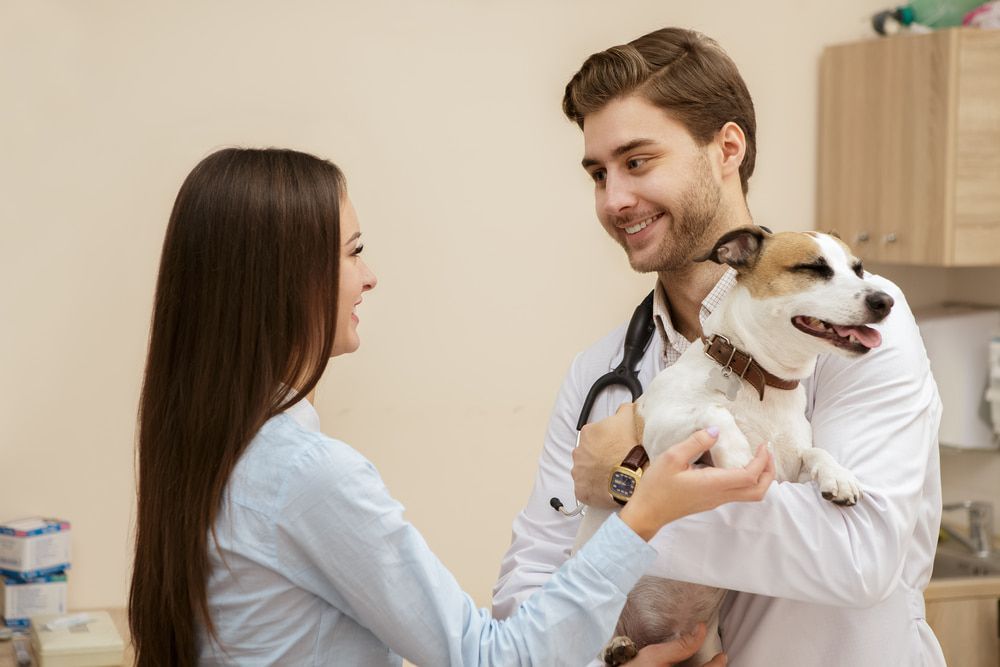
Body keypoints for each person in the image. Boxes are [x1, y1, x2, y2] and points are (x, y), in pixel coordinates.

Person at [127, 147, 774, 667]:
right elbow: (487, 657)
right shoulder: (306, 474)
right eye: (353, 253)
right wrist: (643, 514)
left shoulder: (213, 449)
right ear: (283, 278)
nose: (370, 275)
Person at [491, 27, 946, 666]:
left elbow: (860, 555)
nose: (615, 199)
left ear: (726, 148)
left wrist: (632, 487)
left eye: (638, 161)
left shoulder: (857, 329)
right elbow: (529, 587)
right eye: (599, 173)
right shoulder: (599, 375)